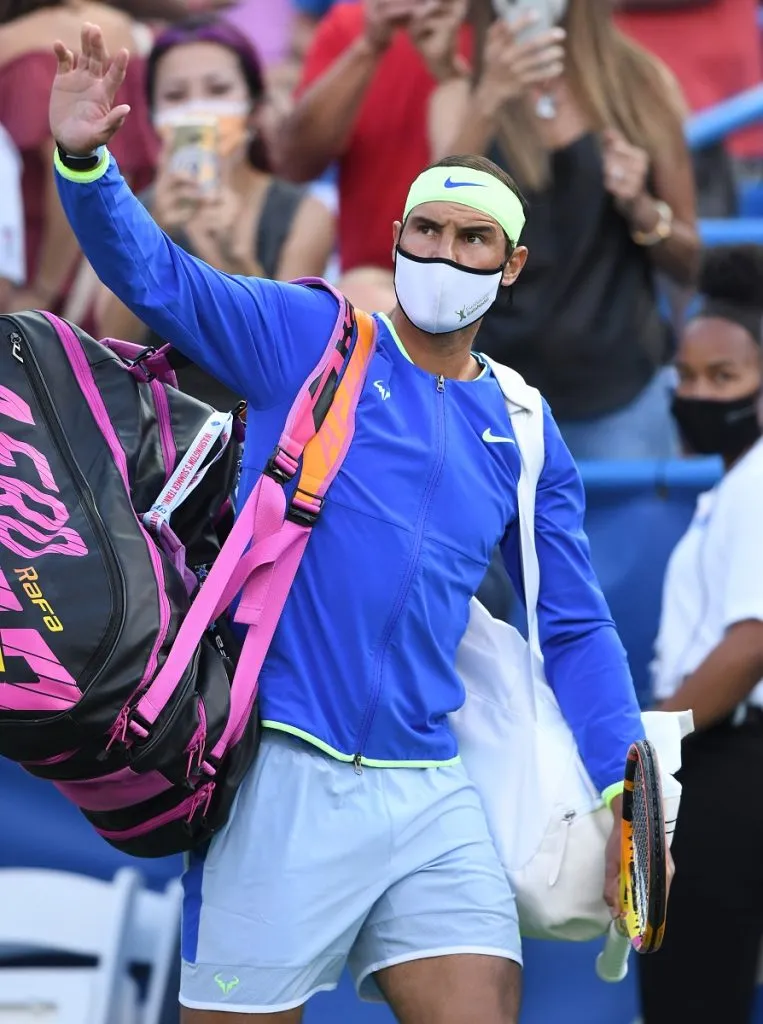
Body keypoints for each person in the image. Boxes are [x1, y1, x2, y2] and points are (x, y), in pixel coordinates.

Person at [50, 24, 652, 1021]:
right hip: (281, 766)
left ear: (510, 266)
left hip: (429, 784)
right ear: (397, 237)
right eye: (427, 231)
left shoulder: (525, 424)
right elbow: (157, 277)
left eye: (472, 241)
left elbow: (576, 625)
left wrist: (620, 781)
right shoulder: (310, 337)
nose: (443, 254)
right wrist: (83, 161)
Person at [429, 0, 700, 459]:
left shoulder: (640, 83)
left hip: (619, 395)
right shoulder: (460, 95)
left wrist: (640, 207)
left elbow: (690, 259)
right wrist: (490, 99)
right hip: (490, 397)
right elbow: (434, 239)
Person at [638, 246, 763, 1024]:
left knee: (690, 999)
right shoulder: (734, 482)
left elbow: (749, 642)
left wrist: (650, 744)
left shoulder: (756, 482)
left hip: (723, 763)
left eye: (723, 378)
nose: (695, 394)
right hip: (717, 758)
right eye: (685, 378)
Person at [96, 14, 336, 409]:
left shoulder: (305, 213)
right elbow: (110, 342)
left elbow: (283, 352)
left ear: (254, 108)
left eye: (218, 90)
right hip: (157, 420)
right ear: (153, 117)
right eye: (176, 96)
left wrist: (232, 254)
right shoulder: (133, 206)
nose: (197, 110)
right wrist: (153, 232)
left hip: (258, 422)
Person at [275, 0, 474, 313]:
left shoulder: (518, 27)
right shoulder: (355, 24)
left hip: (492, 290)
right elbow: (294, 164)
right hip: (373, 307)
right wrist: (367, 46)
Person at [0, 0, 155, 317]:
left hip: (48, 270)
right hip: (124, 262)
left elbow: (68, 168)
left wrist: (43, 290)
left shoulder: (15, 46)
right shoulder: (123, 30)